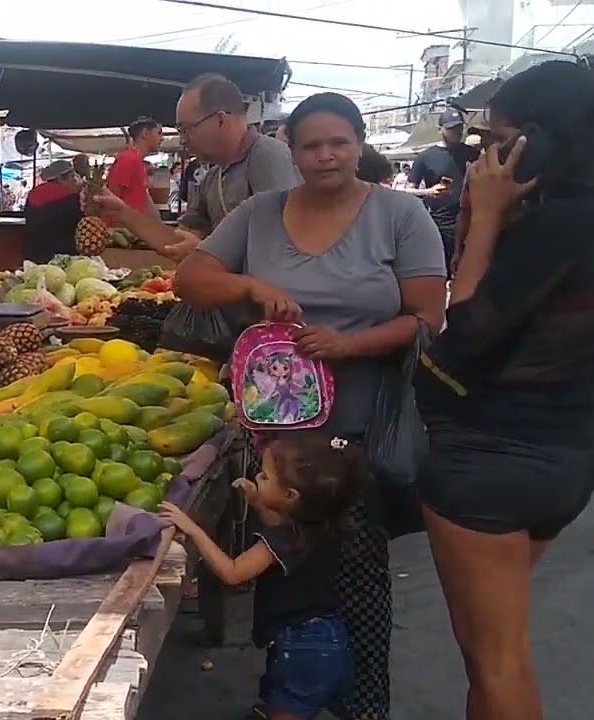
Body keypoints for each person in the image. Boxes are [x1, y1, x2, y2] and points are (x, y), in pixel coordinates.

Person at [164, 93, 448, 720]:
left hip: (359, 426)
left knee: (356, 572)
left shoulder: (400, 214)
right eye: (311, 145)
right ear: (291, 153)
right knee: (286, 574)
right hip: (281, 436)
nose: (325, 155)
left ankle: (360, 706)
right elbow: (191, 280)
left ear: (358, 143)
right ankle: (291, 695)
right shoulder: (260, 214)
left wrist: (350, 344)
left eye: (338, 142)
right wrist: (249, 284)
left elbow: (428, 317)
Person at [414, 61, 594, 720]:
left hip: (490, 459)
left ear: (540, 142)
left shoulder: (557, 229)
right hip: (568, 458)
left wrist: (486, 217)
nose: (485, 156)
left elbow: (460, 335)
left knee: (497, 663)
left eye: (501, 139)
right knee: (498, 657)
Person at [162, 431, 364, 720]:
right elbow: (282, 522)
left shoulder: (280, 541)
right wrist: (258, 501)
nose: (258, 477)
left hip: (301, 650)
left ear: (290, 496)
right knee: (294, 701)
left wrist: (194, 530)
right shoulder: (322, 523)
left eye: (266, 478)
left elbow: (232, 573)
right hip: (328, 638)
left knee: (289, 702)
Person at [172, 73, 301, 258]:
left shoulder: (269, 158)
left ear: (220, 120)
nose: (183, 140)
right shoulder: (213, 175)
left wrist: (207, 255)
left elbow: (283, 247)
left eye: (186, 129)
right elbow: (184, 234)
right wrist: (126, 214)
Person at [405, 109, 480, 273]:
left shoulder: (472, 153)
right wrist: (429, 192)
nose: (457, 132)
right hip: (440, 224)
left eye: (459, 127)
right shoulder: (426, 157)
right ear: (440, 130)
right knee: (439, 272)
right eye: (451, 128)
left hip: (471, 221)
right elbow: (408, 190)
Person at [23, 160, 84, 263]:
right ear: (60, 179)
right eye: (72, 177)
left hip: (33, 255)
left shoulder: (33, 194)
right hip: (63, 258)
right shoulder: (72, 199)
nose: (75, 181)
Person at [105, 117, 162, 219]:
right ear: (145, 133)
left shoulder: (138, 162)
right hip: (121, 230)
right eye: (159, 133)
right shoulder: (129, 159)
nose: (162, 138)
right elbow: (112, 196)